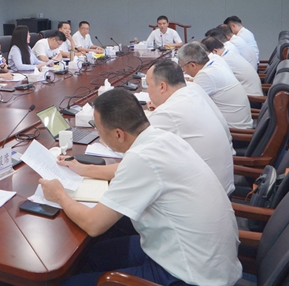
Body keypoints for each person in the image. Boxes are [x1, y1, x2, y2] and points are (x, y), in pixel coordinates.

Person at [40, 89, 241, 286]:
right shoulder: (162, 138)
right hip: (205, 257)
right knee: (96, 253)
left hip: (187, 276)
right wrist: (84, 169)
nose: (99, 136)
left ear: (118, 134)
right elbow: (127, 169)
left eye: (99, 130)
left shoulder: (141, 158)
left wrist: (60, 195)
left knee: (71, 282)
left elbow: (93, 224)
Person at [145, 60, 235, 194]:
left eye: (148, 85)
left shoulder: (168, 113)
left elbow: (130, 146)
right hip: (221, 187)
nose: (147, 90)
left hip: (206, 196)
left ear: (162, 86)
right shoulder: (194, 90)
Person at [177, 42, 253, 129]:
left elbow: (187, 103)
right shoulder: (215, 64)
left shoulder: (206, 75)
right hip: (239, 123)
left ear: (192, 65)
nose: (184, 71)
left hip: (234, 131)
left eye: (183, 67)